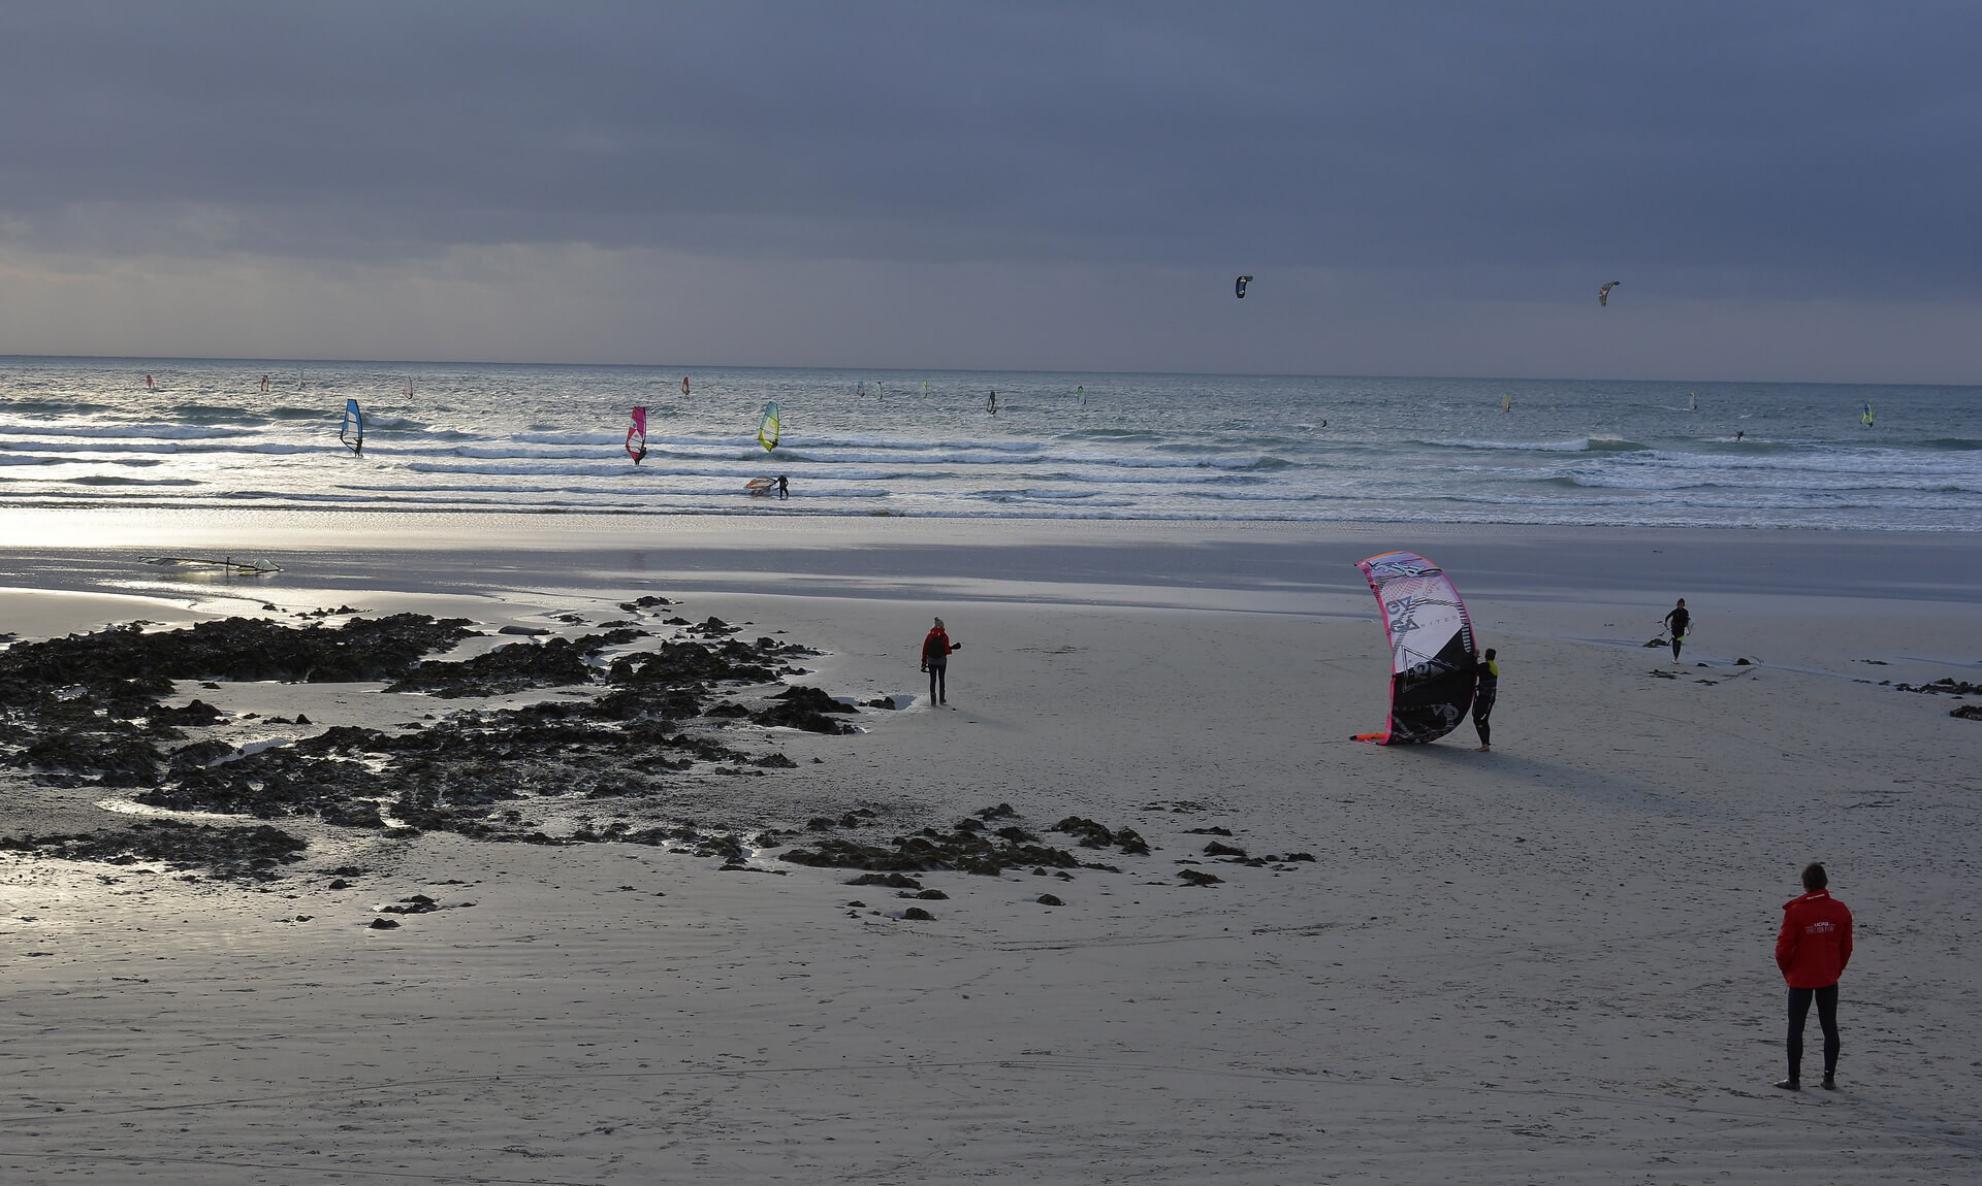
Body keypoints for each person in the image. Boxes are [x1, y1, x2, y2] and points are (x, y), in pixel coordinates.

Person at [1774, 862, 1852, 1091]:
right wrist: (1836, 969)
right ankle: (1829, 1078)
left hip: (1801, 977)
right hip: (1828, 976)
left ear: (1805, 884)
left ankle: (1794, 1079)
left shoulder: (1797, 912)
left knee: (1796, 1027)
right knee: (1830, 1026)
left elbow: (1782, 950)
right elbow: (1846, 947)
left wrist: (1788, 971)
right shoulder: (1840, 910)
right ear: (1824, 882)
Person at [919, 617, 961, 705]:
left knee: (932, 680)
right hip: (942, 662)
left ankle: (933, 701)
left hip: (931, 661)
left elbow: (925, 649)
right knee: (941, 679)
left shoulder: (929, 636)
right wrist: (951, 648)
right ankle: (942, 699)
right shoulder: (945, 636)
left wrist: (924, 661)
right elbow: (946, 651)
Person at [1472, 648, 1498, 751]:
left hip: (1486, 698)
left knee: (1478, 719)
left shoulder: (1486, 665)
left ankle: (1485, 745)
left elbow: (1473, 668)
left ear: (1486, 655)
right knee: (1483, 720)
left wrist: (1474, 656)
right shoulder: (1493, 666)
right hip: (1489, 697)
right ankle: (1485, 744)